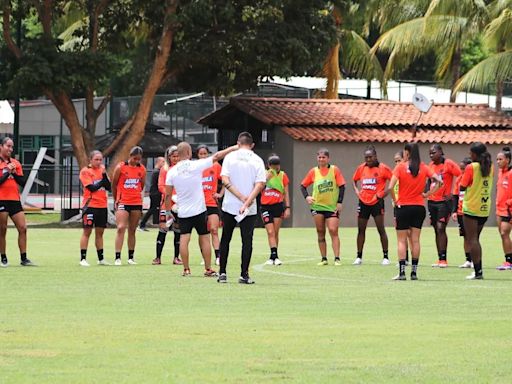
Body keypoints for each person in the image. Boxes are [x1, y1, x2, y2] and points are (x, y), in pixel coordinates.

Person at [165, 142, 238, 276]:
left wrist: (168, 211)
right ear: (189, 153)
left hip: (183, 211)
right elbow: (216, 156)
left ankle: (186, 269)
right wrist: (233, 148)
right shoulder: (196, 165)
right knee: (204, 238)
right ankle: (208, 268)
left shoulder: (172, 171)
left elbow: (168, 194)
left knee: (184, 239)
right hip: (199, 210)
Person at [384, 142, 442, 281]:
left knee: (401, 241)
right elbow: (440, 181)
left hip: (403, 207)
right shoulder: (424, 167)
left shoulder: (400, 167)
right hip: (419, 207)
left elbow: (390, 187)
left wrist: (395, 200)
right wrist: (428, 194)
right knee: (415, 240)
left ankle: (402, 273)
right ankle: (414, 273)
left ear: (407, 153)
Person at [217, 132, 266, 284]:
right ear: (252, 145)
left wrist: (239, 197)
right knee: (247, 240)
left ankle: (222, 273)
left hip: (230, 205)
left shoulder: (230, 157)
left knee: (226, 238)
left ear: (238, 143)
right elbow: (260, 184)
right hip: (249, 207)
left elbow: (224, 179)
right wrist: (247, 200)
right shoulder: (257, 160)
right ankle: (244, 274)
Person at [300, 148, 346, 266]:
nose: (321, 159)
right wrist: (307, 197)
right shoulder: (313, 171)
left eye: (323, 157)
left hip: (331, 207)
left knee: (333, 230)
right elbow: (303, 186)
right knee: (320, 231)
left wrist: (339, 202)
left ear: (328, 158)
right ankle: (324, 258)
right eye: (319, 157)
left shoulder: (334, 170)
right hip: (317, 206)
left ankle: (337, 258)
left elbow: (342, 186)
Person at [352, 145, 392, 266]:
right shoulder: (361, 168)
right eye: (366, 157)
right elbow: (354, 180)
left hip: (377, 202)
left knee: (381, 229)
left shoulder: (383, 168)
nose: (368, 160)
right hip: (363, 202)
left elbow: (394, 180)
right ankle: (359, 256)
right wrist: (357, 191)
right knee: (361, 230)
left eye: (370, 157)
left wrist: (384, 194)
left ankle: (386, 256)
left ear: (375, 156)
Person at [460, 142, 493, 280]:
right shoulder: (490, 167)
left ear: (475, 154)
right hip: (484, 208)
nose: (469, 155)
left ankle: (478, 272)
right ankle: (477, 269)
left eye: (470, 153)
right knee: (476, 239)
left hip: (471, 208)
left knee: (472, 239)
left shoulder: (471, 167)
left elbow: (462, 185)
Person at [0, 137, 35, 267]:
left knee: (23, 228)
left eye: (12, 147)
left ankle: (24, 258)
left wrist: (13, 172)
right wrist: (6, 172)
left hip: (14, 200)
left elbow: (22, 182)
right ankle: (3, 257)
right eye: (8, 146)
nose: (10, 149)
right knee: (2, 229)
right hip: (1, 199)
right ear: (1, 146)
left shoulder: (15, 163)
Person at [428, 144, 461, 268]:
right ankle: (439, 258)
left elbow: (460, 175)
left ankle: (444, 259)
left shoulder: (449, 164)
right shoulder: (430, 166)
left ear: (441, 152)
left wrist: (453, 193)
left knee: (441, 227)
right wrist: (426, 193)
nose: (431, 155)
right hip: (432, 202)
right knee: (436, 229)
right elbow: (428, 181)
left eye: (434, 152)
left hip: (444, 202)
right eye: (430, 153)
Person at [111, 146, 146, 266]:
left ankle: (131, 257)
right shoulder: (121, 167)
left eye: (139, 159)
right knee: (121, 227)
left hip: (136, 202)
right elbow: (114, 184)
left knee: (132, 230)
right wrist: (116, 199)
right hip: (123, 201)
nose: (136, 161)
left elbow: (141, 185)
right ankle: (117, 257)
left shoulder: (142, 169)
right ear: (130, 156)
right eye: (135, 158)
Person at [78, 150, 111, 266]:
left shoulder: (102, 171)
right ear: (90, 160)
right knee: (87, 231)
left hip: (102, 205)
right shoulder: (85, 171)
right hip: (90, 205)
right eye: (96, 159)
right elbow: (92, 187)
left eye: (100, 159)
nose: (98, 162)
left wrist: (104, 176)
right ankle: (83, 258)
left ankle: (101, 258)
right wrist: (102, 182)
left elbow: (108, 187)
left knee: (100, 233)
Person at [153, 146, 182, 265]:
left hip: (180, 204)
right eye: (173, 156)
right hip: (167, 204)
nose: (175, 158)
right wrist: (170, 194)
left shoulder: (182, 169)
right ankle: (158, 257)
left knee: (178, 230)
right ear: (169, 157)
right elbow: (161, 186)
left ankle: (176, 257)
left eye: (177, 156)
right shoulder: (165, 169)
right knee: (163, 229)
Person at [261, 154, 290, 266]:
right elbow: (258, 187)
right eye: (273, 166)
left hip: (278, 205)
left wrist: (287, 207)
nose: (275, 168)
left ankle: (274, 255)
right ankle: (274, 255)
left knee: (275, 232)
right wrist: (265, 179)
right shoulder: (264, 174)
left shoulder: (283, 175)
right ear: (269, 165)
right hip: (265, 206)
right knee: (270, 231)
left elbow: (286, 192)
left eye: (277, 165)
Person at [197, 145, 223, 266]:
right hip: (199, 204)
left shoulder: (216, 166)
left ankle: (218, 256)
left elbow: (226, 180)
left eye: (205, 154)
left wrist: (220, 193)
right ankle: (204, 256)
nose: (203, 156)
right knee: (203, 232)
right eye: (200, 154)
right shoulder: (195, 167)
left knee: (214, 230)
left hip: (212, 203)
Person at [451, 158, 473, 269]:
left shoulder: (474, 179)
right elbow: (455, 195)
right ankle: (468, 260)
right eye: (461, 169)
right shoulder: (459, 179)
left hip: (470, 210)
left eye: (464, 169)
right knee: (465, 236)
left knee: (472, 236)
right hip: (460, 211)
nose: (462, 171)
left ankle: (475, 259)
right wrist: (454, 211)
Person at [495, 147, 512, 270]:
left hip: (508, 209)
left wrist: (509, 202)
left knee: (504, 232)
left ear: (508, 160)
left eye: (500, 159)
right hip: (499, 209)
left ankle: (509, 262)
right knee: (502, 235)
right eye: (497, 159)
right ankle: (508, 259)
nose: (498, 161)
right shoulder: (500, 172)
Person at [138, 156, 165, 231]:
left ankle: (143, 224)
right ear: (158, 162)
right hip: (155, 193)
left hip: (155, 193)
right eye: (163, 162)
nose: (164, 163)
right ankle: (142, 224)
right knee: (153, 209)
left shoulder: (156, 171)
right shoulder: (157, 172)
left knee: (153, 209)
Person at [392, 151, 409, 265]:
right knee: (401, 234)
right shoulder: (395, 173)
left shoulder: (407, 172)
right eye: (396, 161)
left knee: (409, 233)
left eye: (399, 160)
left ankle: (411, 259)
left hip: (407, 205)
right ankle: (405, 257)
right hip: (397, 206)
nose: (397, 163)